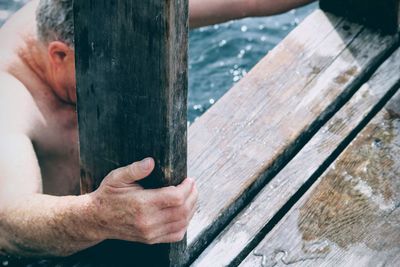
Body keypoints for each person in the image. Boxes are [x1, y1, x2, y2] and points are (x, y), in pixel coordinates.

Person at [0, 0, 315, 258]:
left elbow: (250, 1)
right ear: (58, 55)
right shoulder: (9, 96)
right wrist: (98, 217)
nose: (126, 80)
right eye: (112, 67)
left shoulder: (124, 9)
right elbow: (8, 223)